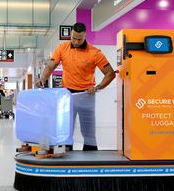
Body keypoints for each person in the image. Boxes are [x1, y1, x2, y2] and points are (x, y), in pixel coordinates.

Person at [35, 22, 116, 151]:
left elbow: (110, 74)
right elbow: (51, 66)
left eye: (79, 39)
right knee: (66, 130)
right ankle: (65, 161)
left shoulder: (95, 53)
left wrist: (98, 87)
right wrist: (42, 79)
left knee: (89, 133)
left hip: (86, 95)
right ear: (71, 35)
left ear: (85, 36)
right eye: (73, 38)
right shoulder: (62, 48)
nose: (76, 41)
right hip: (67, 95)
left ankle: (90, 164)